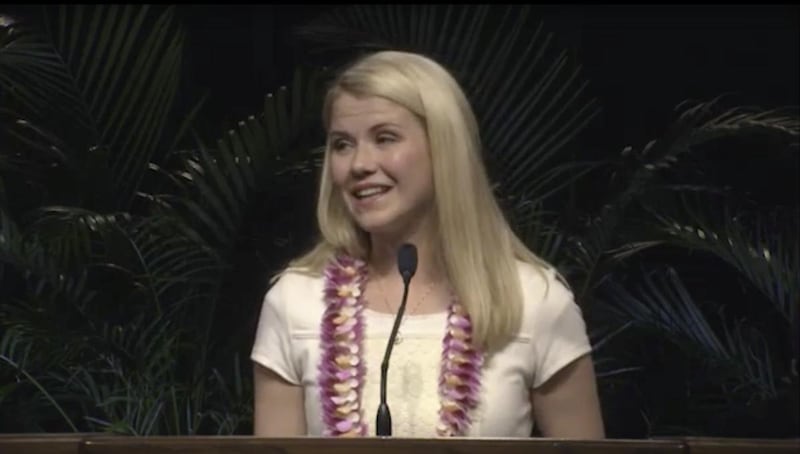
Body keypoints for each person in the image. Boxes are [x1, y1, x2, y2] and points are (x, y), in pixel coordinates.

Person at [251, 50, 605, 438]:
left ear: (444, 148)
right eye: (342, 144)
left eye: (385, 138)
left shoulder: (533, 300)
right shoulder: (295, 301)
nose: (359, 164)